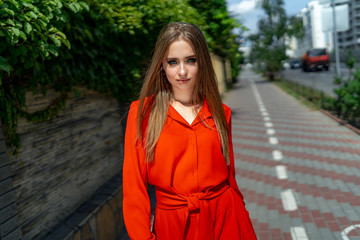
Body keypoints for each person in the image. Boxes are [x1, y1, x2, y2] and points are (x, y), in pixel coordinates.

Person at [123, 22, 257, 240]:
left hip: (226, 218)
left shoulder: (221, 112)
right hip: (173, 226)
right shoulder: (142, 113)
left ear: (202, 62)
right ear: (162, 66)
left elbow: (231, 178)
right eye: (173, 62)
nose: (182, 71)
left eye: (190, 60)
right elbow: (133, 189)